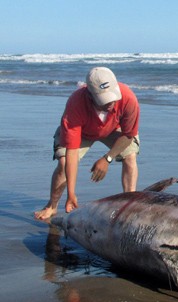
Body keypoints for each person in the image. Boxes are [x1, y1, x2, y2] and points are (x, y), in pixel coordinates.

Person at [34, 67, 140, 220]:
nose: (110, 103)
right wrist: (71, 194)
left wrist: (107, 158)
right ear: (90, 95)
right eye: (104, 100)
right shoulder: (76, 103)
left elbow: (129, 135)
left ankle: (129, 206)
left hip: (114, 130)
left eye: (112, 97)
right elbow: (71, 150)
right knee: (63, 163)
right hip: (83, 131)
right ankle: (52, 206)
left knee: (130, 157)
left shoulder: (128, 98)